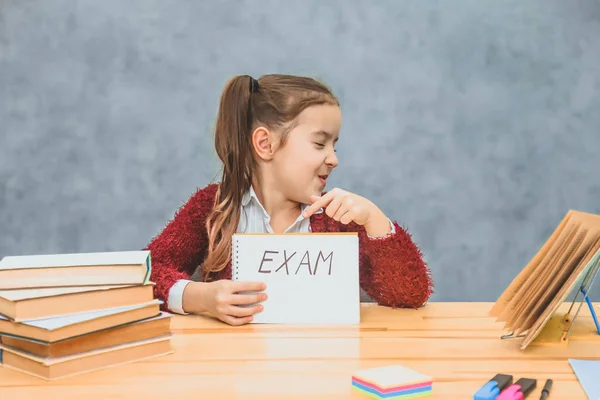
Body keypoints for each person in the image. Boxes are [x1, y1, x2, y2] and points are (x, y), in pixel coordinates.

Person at [145, 74, 433, 325]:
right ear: (265, 144)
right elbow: (146, 274)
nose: (333, 159)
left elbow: (410, 294)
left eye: (334, 145)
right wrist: (201, 298)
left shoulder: (338, 219)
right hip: (235, 372)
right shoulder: (213, 208)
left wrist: (375, 221)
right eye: (320, 143)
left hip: (321, 369)